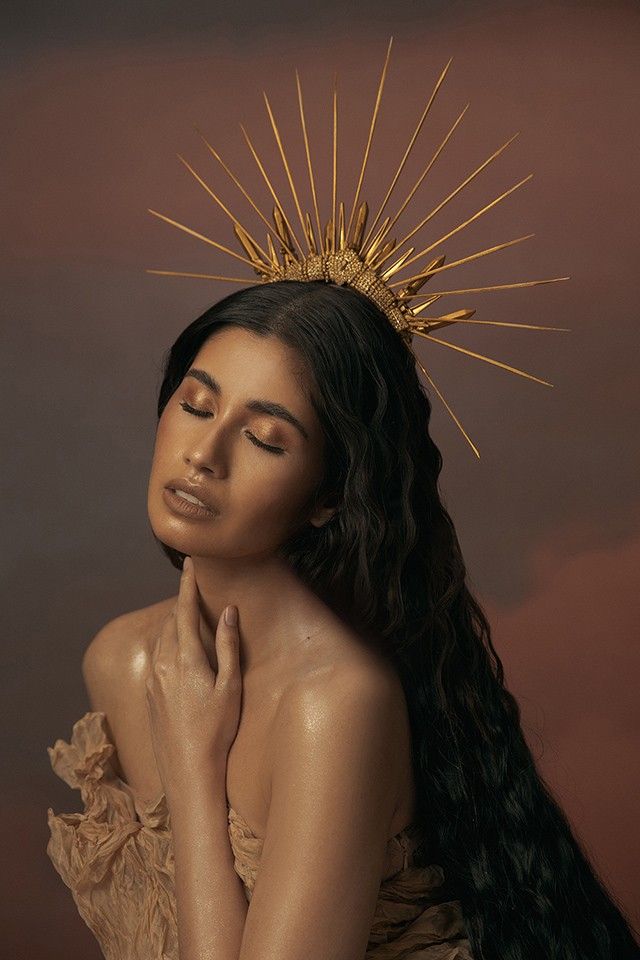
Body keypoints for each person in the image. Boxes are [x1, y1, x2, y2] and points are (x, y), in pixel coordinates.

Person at [46, 38, 640, 960]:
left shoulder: (338, 703)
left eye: (265, 436)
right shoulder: (123, 660)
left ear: (329, 496)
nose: (203, 453)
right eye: (196, 404)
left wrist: (198, 773)